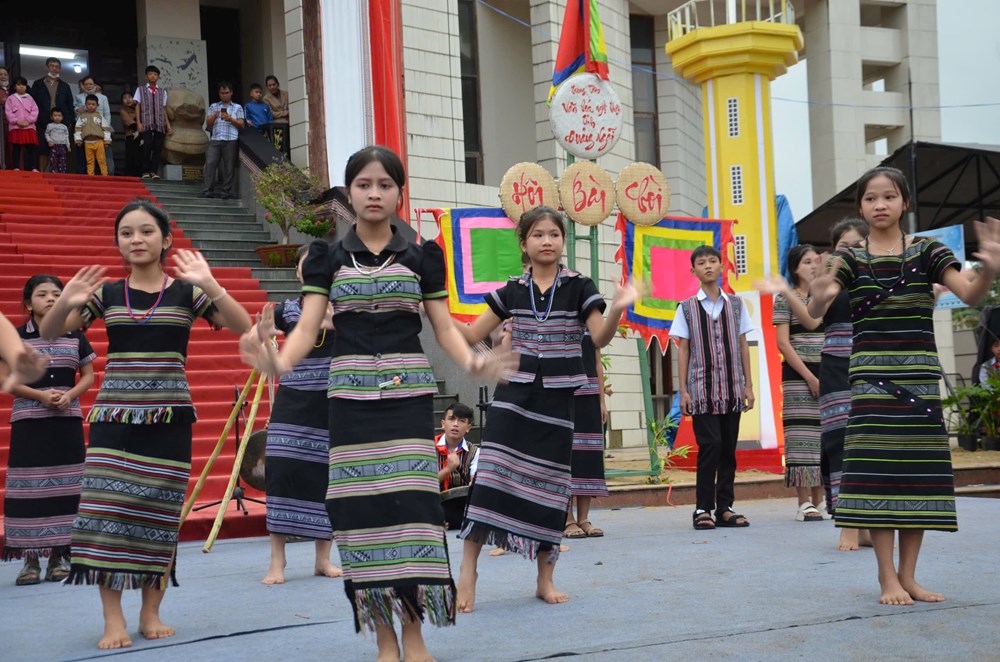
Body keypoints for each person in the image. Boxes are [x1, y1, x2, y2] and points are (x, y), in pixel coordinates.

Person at [239, 145, 500, 662]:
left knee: (415, 512)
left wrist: (475, 364)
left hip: (407, 401)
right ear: (349, 193)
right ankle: (384, 638)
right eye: (364, 184)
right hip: (349, 403)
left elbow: (443, 327)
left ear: (399, 192)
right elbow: (309, 327)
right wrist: (276, 362)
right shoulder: (324, 257)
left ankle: (415, 634)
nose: (374, 193)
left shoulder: (424, 255)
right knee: (361, 516)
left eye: (384, 184)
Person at [40, 198, 252, 649]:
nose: (136, 239)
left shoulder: (186, 292)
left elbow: (240, 324)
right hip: (114, 419)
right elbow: (50, 333)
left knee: (158, 516)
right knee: (106, 516)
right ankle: (112, 619)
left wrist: (211, 284)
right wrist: (67, 303)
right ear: (119, 242)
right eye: (127, 233)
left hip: (170, 419)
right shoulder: (108, 294)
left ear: (166, 239)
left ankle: (151, 612)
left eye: (146, 231)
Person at [808, 166, 1000, 605]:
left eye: (889, 197)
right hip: (872, 382)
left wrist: (988, 268)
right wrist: (818, 294)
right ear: (860, 206)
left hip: (918, 382)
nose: (880, 205)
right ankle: (886, 578)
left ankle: (910, 577)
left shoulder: (927, 251)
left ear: (905, 203)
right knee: (878, 477)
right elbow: (821, 304)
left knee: (917, 477)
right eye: (871, 198)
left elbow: (970, 293)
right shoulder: (851, 259)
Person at [453, 205, 637, 613]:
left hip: (557, 402)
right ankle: (468, 570)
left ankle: (544, 578)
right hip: (512, 400)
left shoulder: (579, 286)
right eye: (538, 234)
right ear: (524, 243)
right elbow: (470, 334)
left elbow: (600, 338)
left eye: (555, 234)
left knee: (552, 488)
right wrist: (430, 307)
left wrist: (620, 305)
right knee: (490, 480)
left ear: (563, 241)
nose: (547, 240)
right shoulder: (512, 290)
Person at [757, 219, 873, 550]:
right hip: (828, 370)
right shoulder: (830, 283)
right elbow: (810, 321)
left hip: (866, 366)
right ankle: (845, 521)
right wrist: (784, 290)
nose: (851, 252)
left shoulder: (876, 278)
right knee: (833, 442)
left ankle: (865, 521)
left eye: (857, 245)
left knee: (862, 442)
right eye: (844, 247)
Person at [254, 245, 342, 586]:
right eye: (309, 265)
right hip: (292, 401)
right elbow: (256, 340)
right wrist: (262, 339)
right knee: (281, 471)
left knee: (327, 478)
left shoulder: (346, 310)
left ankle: (323, 559)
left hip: (332, 402)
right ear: (298, 272)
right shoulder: (286, 310)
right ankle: (278, 560)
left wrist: (337, 321)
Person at [2, 276, 95, 585]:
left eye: (57, 293)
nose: (51, 298)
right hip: (29, 422)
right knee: (30, 489)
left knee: (67, 488)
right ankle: (30, 559)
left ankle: (59, 555)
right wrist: (41, 395)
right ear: (29, 304)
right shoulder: (14, 338)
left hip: (67, 419)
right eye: (42, 294)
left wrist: (70, 394)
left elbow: (89, 375)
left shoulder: (76, 336)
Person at [672, 245, 755, 531]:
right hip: (702, 391)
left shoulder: (736, 304)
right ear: (693, 270)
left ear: (722, 267)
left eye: (713, 261)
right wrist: (682, 390)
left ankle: (725, 507)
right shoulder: (685, 307)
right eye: (701, 262)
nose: (707, 266)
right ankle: (702, 508)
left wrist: (748, 384)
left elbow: (743, 344)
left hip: (732, 388)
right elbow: (683, 349)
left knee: (728, 449)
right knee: (710, 446)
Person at [773, 245, 827, 521]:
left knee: (823, 437)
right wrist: (809, 376)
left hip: (828, 371)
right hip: (797, 375)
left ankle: (821, 500)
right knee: (800, 438)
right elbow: (783, 342)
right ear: (795, 268)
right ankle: (803, 501)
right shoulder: (785, 297)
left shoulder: (826, 296)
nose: (814, 266)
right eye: (807, 262)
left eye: (816, 261)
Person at [563, 335, 609, 539]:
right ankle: (566, 519)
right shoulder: (557, 317)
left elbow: (597, 363)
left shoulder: (593, 324)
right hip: (563, 394)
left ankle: (583, 518)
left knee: (587, 455)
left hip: (589, 397)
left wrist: (601, 402)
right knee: (566, 456)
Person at [436, 402, 479, 530]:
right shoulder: (428, 447)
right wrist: (447, 469)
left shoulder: (474, 452)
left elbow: (474, 480)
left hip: (462, 506)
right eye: (451, 419)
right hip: (434, 504)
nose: (455, 424)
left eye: (461, 421)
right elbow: (422, 483)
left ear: (468, 427)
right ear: (443, 424)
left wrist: (474, 482)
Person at [29, 57, 74, 171]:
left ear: (60, 69)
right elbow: (32, 102)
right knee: (42, 148)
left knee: (61, 150)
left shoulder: (65, 86)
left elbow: (70, 104)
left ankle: (58, 174)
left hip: (61, 122)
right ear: (47, 67)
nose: (54, 68)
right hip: (42, 120)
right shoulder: (38, 84)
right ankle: (41, 174)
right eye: (52, 66)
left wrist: (68, 120)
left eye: (57, 66)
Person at [202, 82, 244, 199]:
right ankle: (208, 190)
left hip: (231, 139)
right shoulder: (213, 106)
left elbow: (241, 124)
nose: (224, 95)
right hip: (215, 139)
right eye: (222, 93)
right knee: (210, 163)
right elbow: (208, 123)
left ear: (231, 93)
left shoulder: (237, 107)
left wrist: (230, 118)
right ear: (219, 94)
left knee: (229, 167)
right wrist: (215, 116)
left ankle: (227, 192)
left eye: (226, 93)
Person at [133, 65, 172, 179]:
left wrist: (168, 125)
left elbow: (164, 108)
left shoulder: (162, 91)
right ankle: (145, 171)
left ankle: (154, 172)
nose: (152, 76)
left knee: (158, 147)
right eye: (150, 74)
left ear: (158, 77)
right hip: (146, 121)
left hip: (160, 123)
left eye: (155, 74)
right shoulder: (140, 89)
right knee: (147, 145)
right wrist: (138, 123)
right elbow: (137, 106)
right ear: (146, 76)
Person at [74, 77, 114, 175]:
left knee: (104, 159)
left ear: (94, 85)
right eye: (86, 84)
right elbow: (77, 120)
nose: (88, 86)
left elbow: (107, 114)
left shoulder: (103, 98)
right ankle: (89, 177)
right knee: (88, 160)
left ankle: (107, 176)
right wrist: (77, 110)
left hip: (100, 133)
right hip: (86, 133)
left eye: (90, 84)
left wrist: (107, 134)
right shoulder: (78, 97)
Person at [5, 78, 39, 171]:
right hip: (16, 127)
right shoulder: (10, 98)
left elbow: (35, 111)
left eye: (23, 85)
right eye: (19, 84)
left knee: (31, 148)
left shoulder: (30, 98)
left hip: (29, 127)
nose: (21, 87)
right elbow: (8, 112)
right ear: (14, 86)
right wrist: (16, 121)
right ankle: (16, 167)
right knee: (16, 148)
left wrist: (28, 120)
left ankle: (34, 167)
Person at [263, 75, 289, 154]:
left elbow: (292, 107)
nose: (272, 87)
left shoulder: (286, 93)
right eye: (269, 85)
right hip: (277, 125)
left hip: (289, 122)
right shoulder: (266, 98)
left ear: (277, 84)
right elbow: (271, 114)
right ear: (267, 87)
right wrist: (286, 113)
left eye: (274, 84)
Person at [120, 92, 141, 177]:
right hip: (130, 136)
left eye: (130, 97)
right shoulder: (123, 111)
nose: (128, 100)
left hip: (141, 136)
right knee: (131, 158)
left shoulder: (139, 108)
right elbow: (130, 123)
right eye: (125, 98)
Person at [44, 108, 71, 173]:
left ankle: (61, 173)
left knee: (62, 160)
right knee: (53, 160)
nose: (57, 117)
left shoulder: (64, 127)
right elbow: (46, 134)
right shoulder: (50, 125)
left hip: (62, 146)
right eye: (55, 115)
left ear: (62, 117)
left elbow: (66, 136)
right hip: (54, 145)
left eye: (59, 116)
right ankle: (53, 172)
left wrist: (68, 146)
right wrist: (49, 141)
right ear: (51, 117)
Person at [0, 66, 10, 169]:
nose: (3, 76)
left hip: (12, 123)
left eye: (5, 74)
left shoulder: (13, 89)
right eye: (0, 74)